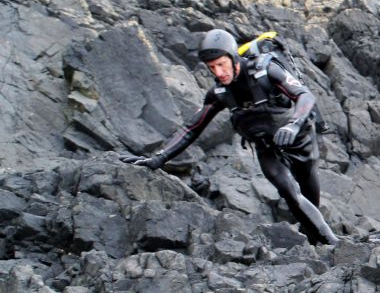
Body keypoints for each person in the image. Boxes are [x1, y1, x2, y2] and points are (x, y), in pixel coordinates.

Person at [119, 28, 340, 245]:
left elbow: (304, 95)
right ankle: (333, 244)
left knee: (310, 197)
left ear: (234, 58)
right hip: (267, 148)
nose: (218, 72)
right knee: (289, 192)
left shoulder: (265, 70)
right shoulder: (219, 93)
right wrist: (160, 158)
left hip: (299, 139)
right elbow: (192, 128)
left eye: (221, 64)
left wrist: (293, 125)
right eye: (212, 67)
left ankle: (314, 239)